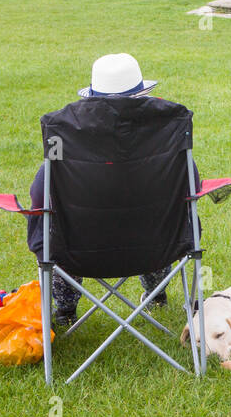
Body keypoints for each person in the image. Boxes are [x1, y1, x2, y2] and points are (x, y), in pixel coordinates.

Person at [25, 54, 206, 325]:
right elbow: (192, 185)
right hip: (155, 246)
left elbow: (39, 195)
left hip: (78, 250)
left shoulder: (65, 132)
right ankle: (156, 294)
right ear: (141, 95)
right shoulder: (165, 131)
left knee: (53, 225)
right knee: (168, 216)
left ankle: (65, 310)